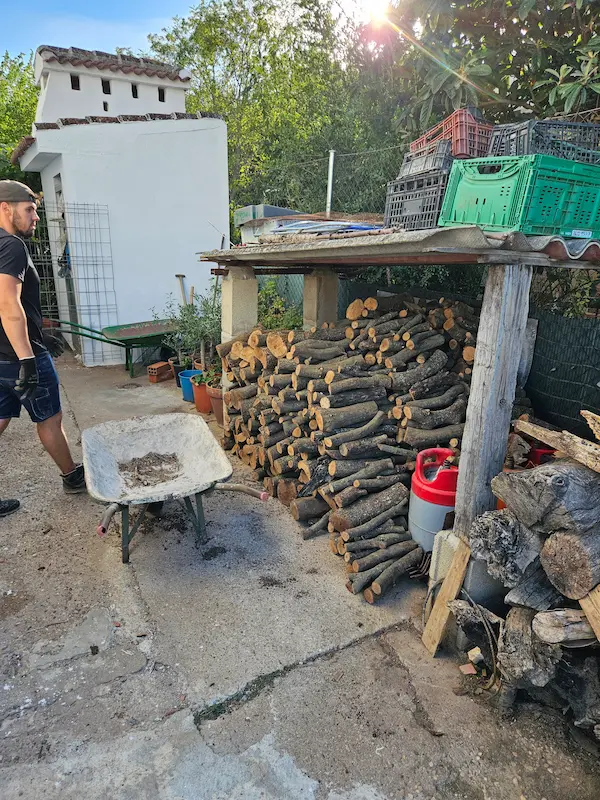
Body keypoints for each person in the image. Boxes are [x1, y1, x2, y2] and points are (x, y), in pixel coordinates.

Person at [0, 180, 85, 494]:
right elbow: (7, 304)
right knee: (49, 417)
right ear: (5, 208)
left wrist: (41, 325)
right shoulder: (11, 246)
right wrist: (28, 360)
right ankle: (72, 477)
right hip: (20, 355)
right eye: (30, 210)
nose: (35, 217)